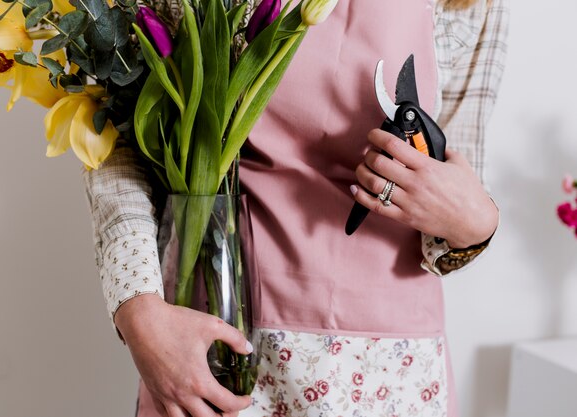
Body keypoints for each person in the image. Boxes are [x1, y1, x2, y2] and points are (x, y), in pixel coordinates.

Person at [82, 0, 509, 415]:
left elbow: (453, 181)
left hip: (389, 372)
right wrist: (140, 313)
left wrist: (476, 224)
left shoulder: (471, 5)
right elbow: (118, 135)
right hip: (218, 342)